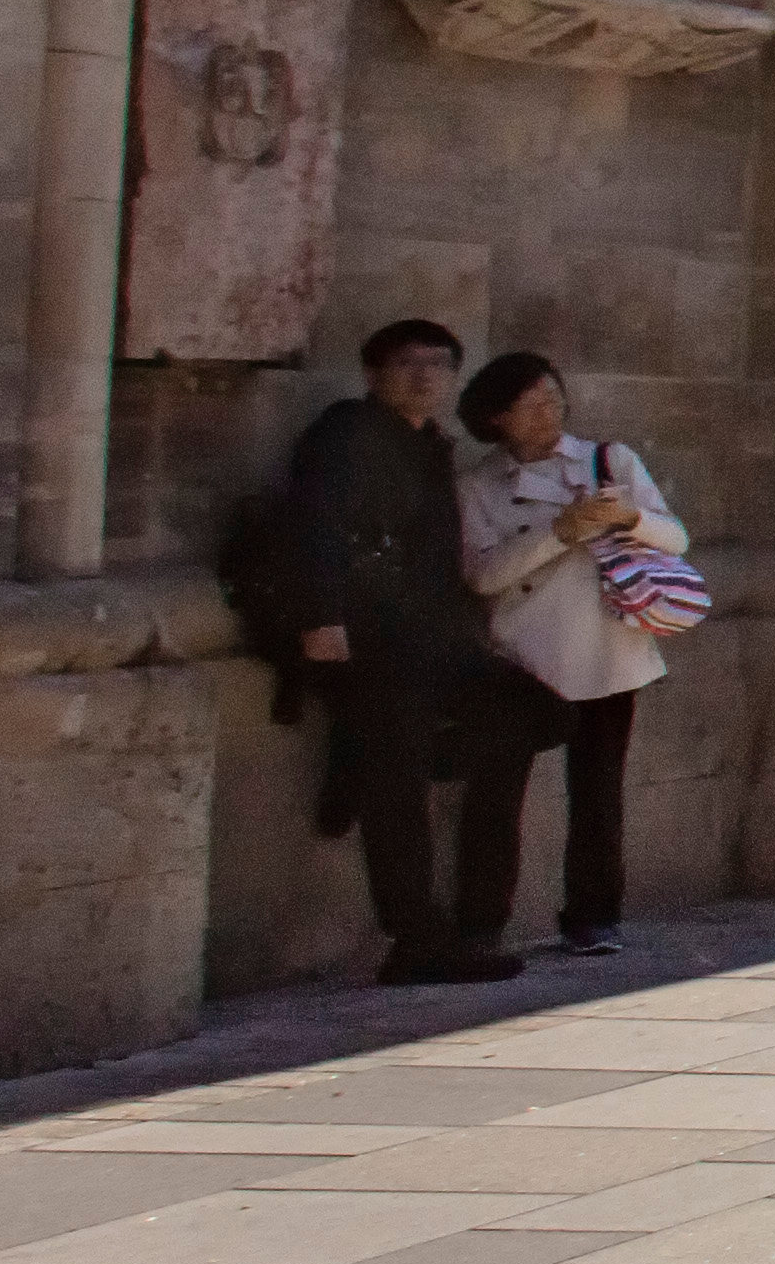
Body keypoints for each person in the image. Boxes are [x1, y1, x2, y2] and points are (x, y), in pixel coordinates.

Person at [270, 317, 520, 985]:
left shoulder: (430, 446)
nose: (424, 376)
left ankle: (357, 763)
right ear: (375, 373)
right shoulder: (347, 434)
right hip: (370, 638)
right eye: (408, 362)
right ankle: (417, 936)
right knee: (399, 788)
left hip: (423, 638)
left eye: (438, 364)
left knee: (531, 715)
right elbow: (315, 524)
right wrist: (321, 619)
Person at [446, 349, 680, 964]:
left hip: (607, 645)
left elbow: (674, 537)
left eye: (554, 399)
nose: (548, 414)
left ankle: (595, 915)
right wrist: (559, 533)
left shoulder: (610, 460)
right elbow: (484, 575)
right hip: (525, 653)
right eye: (530, 406)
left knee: (599, 790)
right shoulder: (478, 485)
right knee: (499, 794)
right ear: (497, 418)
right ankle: (481, 921)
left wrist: (629, 517)